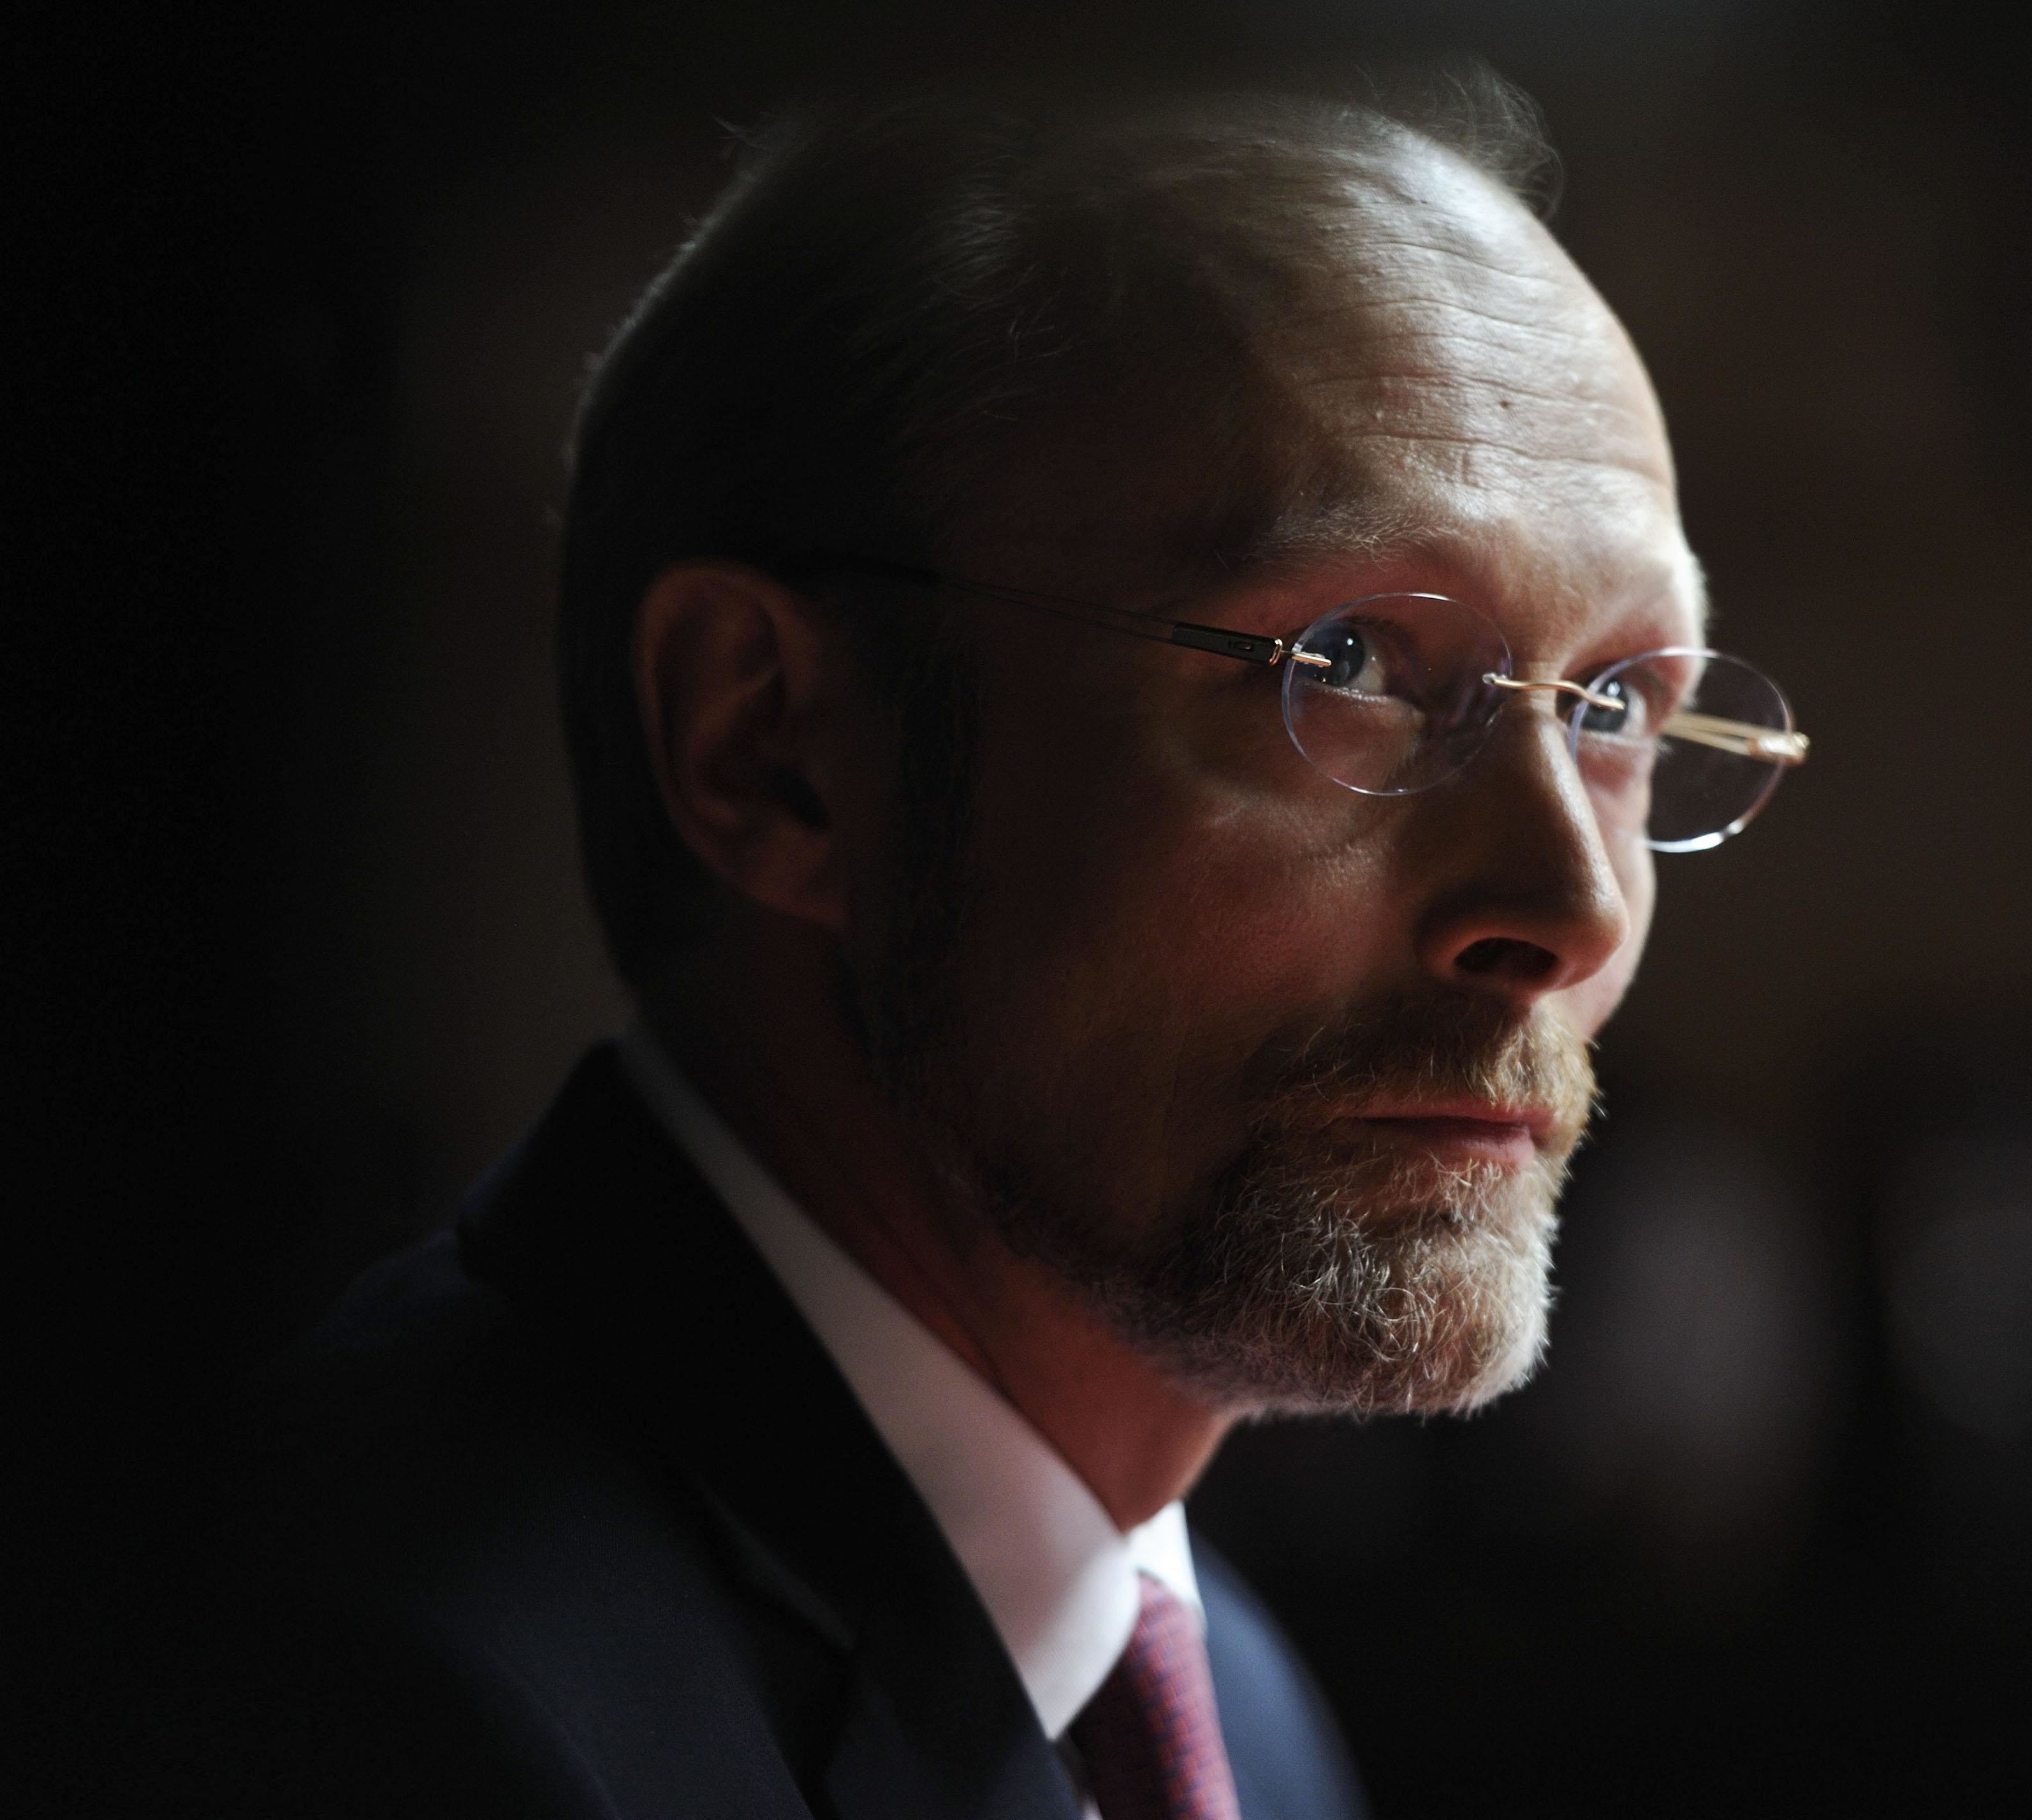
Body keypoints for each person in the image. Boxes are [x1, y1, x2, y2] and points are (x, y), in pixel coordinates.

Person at [203, 69, 1805, 1820]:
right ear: (772, 746)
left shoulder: (1230, 1704)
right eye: (1348, 665)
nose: (1573, 912)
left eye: (1616, 706)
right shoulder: (362, 1713)